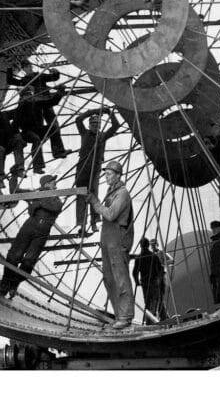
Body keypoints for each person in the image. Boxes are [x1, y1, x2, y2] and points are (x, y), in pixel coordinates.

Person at [0, 174, 62, 299]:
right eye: (53, 182)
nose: (55, 185)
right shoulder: (36, 193)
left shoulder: (55, 199)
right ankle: (4, 285)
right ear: (46, 184)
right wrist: (14, 176)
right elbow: (16, 192)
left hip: (42, 231)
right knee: (13, 256)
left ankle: (12, 284)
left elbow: (56, 207)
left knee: (29, 261)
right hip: (30, 226)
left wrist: (38, 202)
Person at [89, 160, 135, 330]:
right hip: (108, 239)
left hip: (117, 240)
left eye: (109, 174)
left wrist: (95, 203)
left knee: (120, 278)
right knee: (109, 278)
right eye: (105, 174)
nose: (106, 177)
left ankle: (125, 316)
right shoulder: (111, 192)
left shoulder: (122, 193)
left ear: (118, 175)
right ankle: (119, 315)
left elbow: (110, 214)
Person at [7, 65, 69, 172]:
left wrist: (60, 93)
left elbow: (52, 101)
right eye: (26, 95)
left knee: (53, 127)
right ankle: (38, 166)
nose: (28, 97)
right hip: (27, 132)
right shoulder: (21, 106)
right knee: (36, 139)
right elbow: (11, 120)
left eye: (28, 94)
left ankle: (58, 151)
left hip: (38, 127)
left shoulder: (36, 102)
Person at [73, 106, 121, 233]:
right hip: (82, 168)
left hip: (95, 169)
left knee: (94, 195)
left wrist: (110, 113)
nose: (95, 126)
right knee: (81, 195)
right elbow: (78, 120)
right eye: (93, 124)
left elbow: (116, 126)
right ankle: (81, 224)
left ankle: (94, 221)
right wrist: (93, 111)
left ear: (100, 125)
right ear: (89, 125)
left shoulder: (103, 136)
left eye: (97, 124)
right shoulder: (84, 133)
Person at [132, 237, 167, 322]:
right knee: (156, 301)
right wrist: (161, 281)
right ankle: (156, 321)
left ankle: (150, 322)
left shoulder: (138, 258)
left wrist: (137, 282)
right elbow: (160, 270)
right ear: (148, 245)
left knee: (148, 303)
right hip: (154, 283)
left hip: (145, 284)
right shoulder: (154, 256)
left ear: (140, 245)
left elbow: (134, 272)